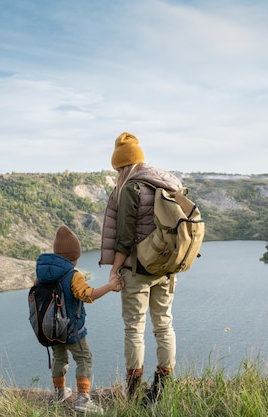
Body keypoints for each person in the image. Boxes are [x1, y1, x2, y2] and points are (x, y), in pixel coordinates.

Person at [99, 132, 183, 403]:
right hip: (166, 267)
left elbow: (124, 239)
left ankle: (134, 392)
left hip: (138, 270)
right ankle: (162, 386)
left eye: (118, 169)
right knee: (164, 325)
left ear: (123, 166)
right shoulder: (165, 183)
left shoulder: (131, 189)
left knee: (135, 330)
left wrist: (114, 270)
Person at [36, 224, 122, 414]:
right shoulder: (73, 274)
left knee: (59, 357)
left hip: (51, 329)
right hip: (72, 329)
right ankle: (83, 399)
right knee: (84, 358)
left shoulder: (42, 274)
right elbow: (88, 295)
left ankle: (59, 394)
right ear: (73, 257)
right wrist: (110, 286)